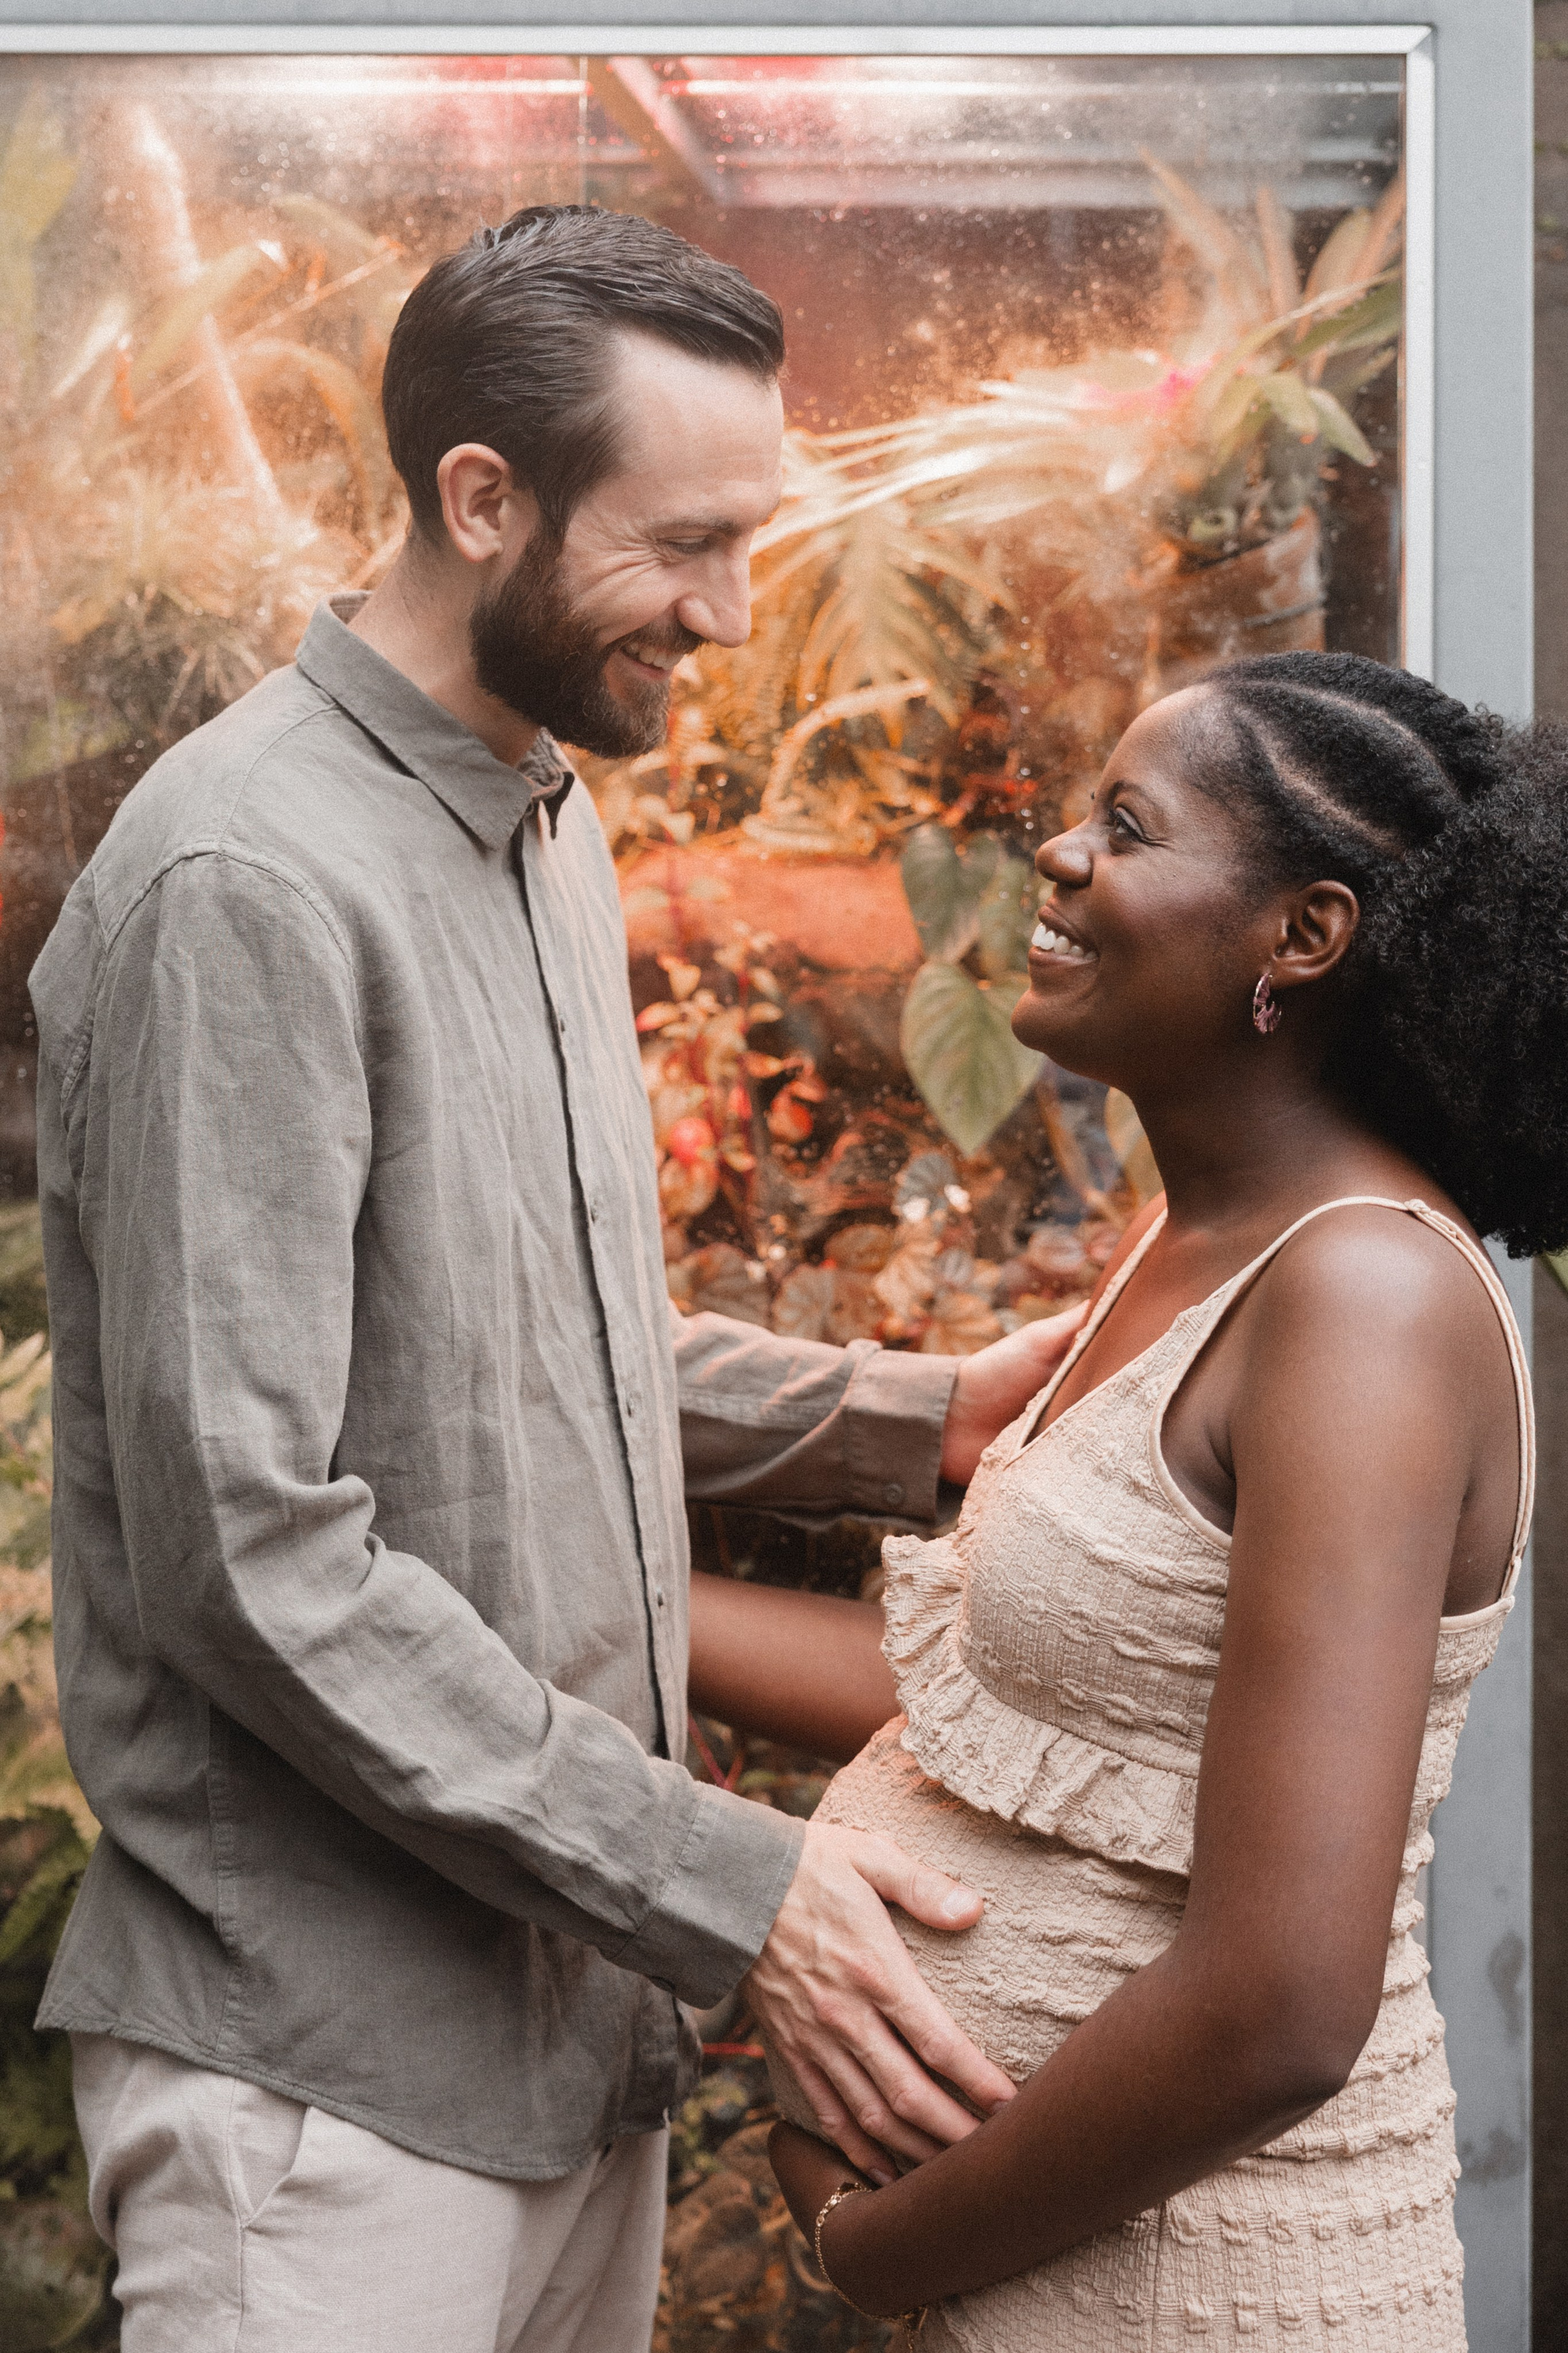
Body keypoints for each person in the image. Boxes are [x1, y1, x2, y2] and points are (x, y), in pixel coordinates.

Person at [29, 204, 1086, 2352]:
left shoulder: (537, 813)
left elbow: (538, 1346)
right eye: (684, 543)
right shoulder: (248, 878)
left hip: (554, 2057)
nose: (730, 609)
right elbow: (256, 1548)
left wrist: (921, 1416)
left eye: (753, 535)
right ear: (480, 497)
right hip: (319, 2102)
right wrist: (736, 1892)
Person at [692, 652, 1564, 2349]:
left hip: (1207, 2291)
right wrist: (586, 1611)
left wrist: (878, 2247)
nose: (1058, 859)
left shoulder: (1363, 1303)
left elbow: (1285, 2005)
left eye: (1128, 828)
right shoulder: (1189, 1247)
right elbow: (1002, 1711)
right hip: (1053, 2285)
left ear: (1301, 938)